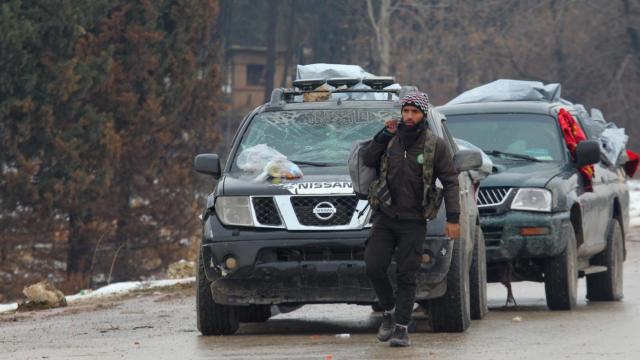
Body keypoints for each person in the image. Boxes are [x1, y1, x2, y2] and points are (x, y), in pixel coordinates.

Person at [362, 91, 460, 347]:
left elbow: (450, 181)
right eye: (406, 111)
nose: (408, 116)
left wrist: (453, 217)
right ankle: (390, 310)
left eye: (414, 112)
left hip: (414, 221)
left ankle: (402, 327)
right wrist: (382, 134)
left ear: (422, 115)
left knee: (407, 274)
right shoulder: (390, 138)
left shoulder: (434, 145)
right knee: (373, 266)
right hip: (385, 216)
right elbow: (368, 158)